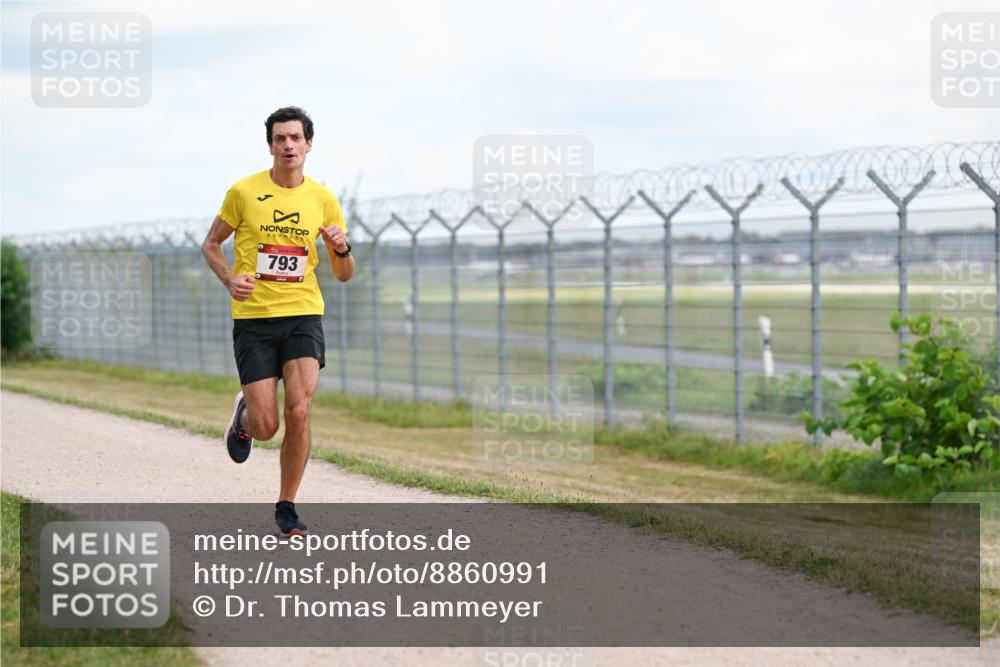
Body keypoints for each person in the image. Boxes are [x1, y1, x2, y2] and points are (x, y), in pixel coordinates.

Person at [201, 106, 355, 537]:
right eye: (279, 139)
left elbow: (343, 275)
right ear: (270, 145)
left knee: (301, 409)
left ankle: (287, 507)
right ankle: (245, 416)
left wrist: (341, 250)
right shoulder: (244, 192)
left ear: (309, 144)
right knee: (268, 427)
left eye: (295, 138)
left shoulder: (323, 199)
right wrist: (230, 278)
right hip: (254, 318)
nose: (288, 145)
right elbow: (211, 244)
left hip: (304, 312)